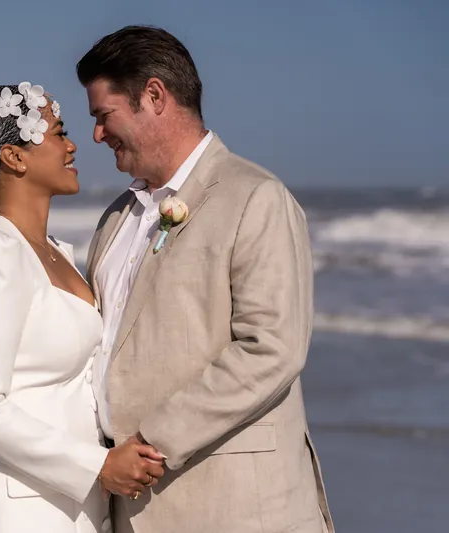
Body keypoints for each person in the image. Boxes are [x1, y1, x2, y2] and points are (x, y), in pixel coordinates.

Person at [77, 26, 335, 533]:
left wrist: (151, 443)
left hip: (236, 508)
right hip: (131, 509)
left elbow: (271, 348)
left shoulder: (256, 197)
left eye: (104, 115)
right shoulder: (114, 220)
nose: (97, 135)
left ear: (154, 96)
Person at [0, 82, 165, 533]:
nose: (73, 145)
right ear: (13, 157)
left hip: (71, 504)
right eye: (59, 133)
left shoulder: (57, 252)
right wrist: (97, 466)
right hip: (13, 507)